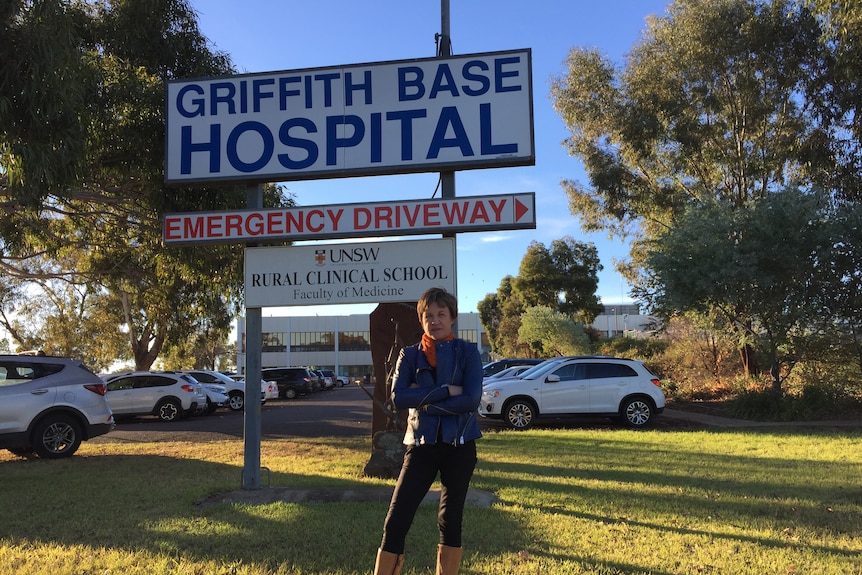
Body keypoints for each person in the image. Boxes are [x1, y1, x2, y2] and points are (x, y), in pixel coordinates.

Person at [373, 287, 483, 575]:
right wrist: (445, 391)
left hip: (460, 447)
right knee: (396, 520)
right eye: (428, 315)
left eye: (441, 315)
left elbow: (471, 400)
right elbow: (399, 398)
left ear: (452, 318)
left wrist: (424, 402)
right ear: (421, 320)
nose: (435, 321)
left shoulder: (468, 353)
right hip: (420, 447)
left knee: (450, 520)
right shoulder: (409, 355)